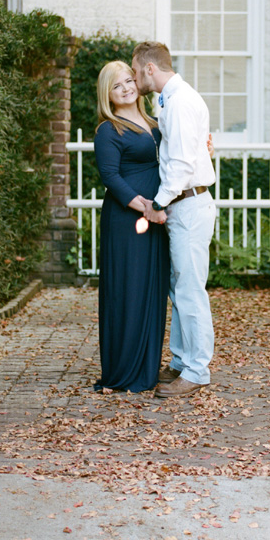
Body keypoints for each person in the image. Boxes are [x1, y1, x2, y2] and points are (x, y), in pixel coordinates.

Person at [133, 41, 217, 399]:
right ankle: (182, 361)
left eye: (136, 71)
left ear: (150, 68)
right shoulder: (169, 99)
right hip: (185, 205)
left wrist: (157, 203)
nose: (135, 79)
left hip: (189, 204)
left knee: (190, 290)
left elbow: (182, 165)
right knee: (179, 287)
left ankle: (197, 370)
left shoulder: (180, 101)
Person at [92, 61, 169, 393]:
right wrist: (146, 207)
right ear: (107, 95)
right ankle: (122, 371)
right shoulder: (109, 129)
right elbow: (110, 178)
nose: (126, 88)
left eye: (128, 81)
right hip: (127, 221)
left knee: (152, 288)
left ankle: (146, 368)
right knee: (128, 290)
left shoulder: (154, 122)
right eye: (116, 86)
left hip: (157, 217)